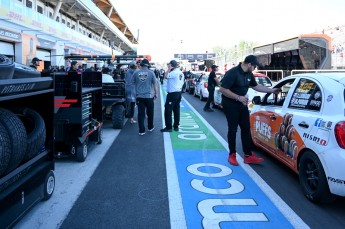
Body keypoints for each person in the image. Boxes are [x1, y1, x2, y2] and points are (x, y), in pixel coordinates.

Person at [219, 55, 281, 166]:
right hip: (230, 104)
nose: (255, 68)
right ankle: (232, 154)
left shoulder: (249, 74)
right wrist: (238, 97)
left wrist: (271, 90)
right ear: (248, 64)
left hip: (242, 103)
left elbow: (256, 86)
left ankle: (248, 156)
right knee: (233, 129)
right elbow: (223, 89)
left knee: (246, 128)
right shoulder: (233, 73)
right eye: (254, 66)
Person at [132, 58, 158, 135]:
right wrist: (156, 93)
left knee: (141, 114)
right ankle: (150, 127)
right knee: (150, 113)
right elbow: (155, 84)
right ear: (148, 65)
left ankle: (141, 130)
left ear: (141, 64)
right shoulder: (151, 73)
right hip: (149, 96)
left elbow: (132, 82)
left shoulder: (136, 73)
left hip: (139, 96)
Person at [160, 60, 185, 132]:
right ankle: (176, 126)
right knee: (176, 109)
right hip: (178, 92)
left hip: (172, 93)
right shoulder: (181, 72)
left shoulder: (174, 72)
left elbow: (165, 76)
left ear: (172, 65)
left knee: (168, 109)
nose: (168, 66)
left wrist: (168, 69)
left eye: (169, 65)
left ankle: (168, 127)